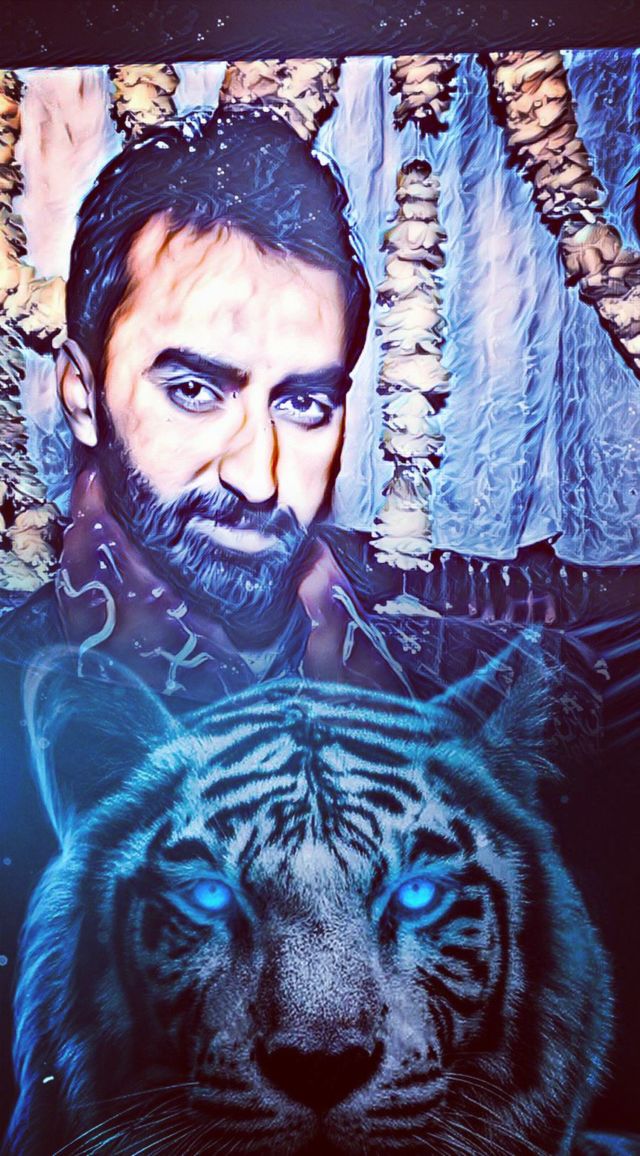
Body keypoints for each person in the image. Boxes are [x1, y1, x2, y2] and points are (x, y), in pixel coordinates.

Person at [0, 102, 638, 1137]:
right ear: (80, 393)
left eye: (304, 403)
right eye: (194, 388)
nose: (259, 476)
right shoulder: (15, 698)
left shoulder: (463, 683)